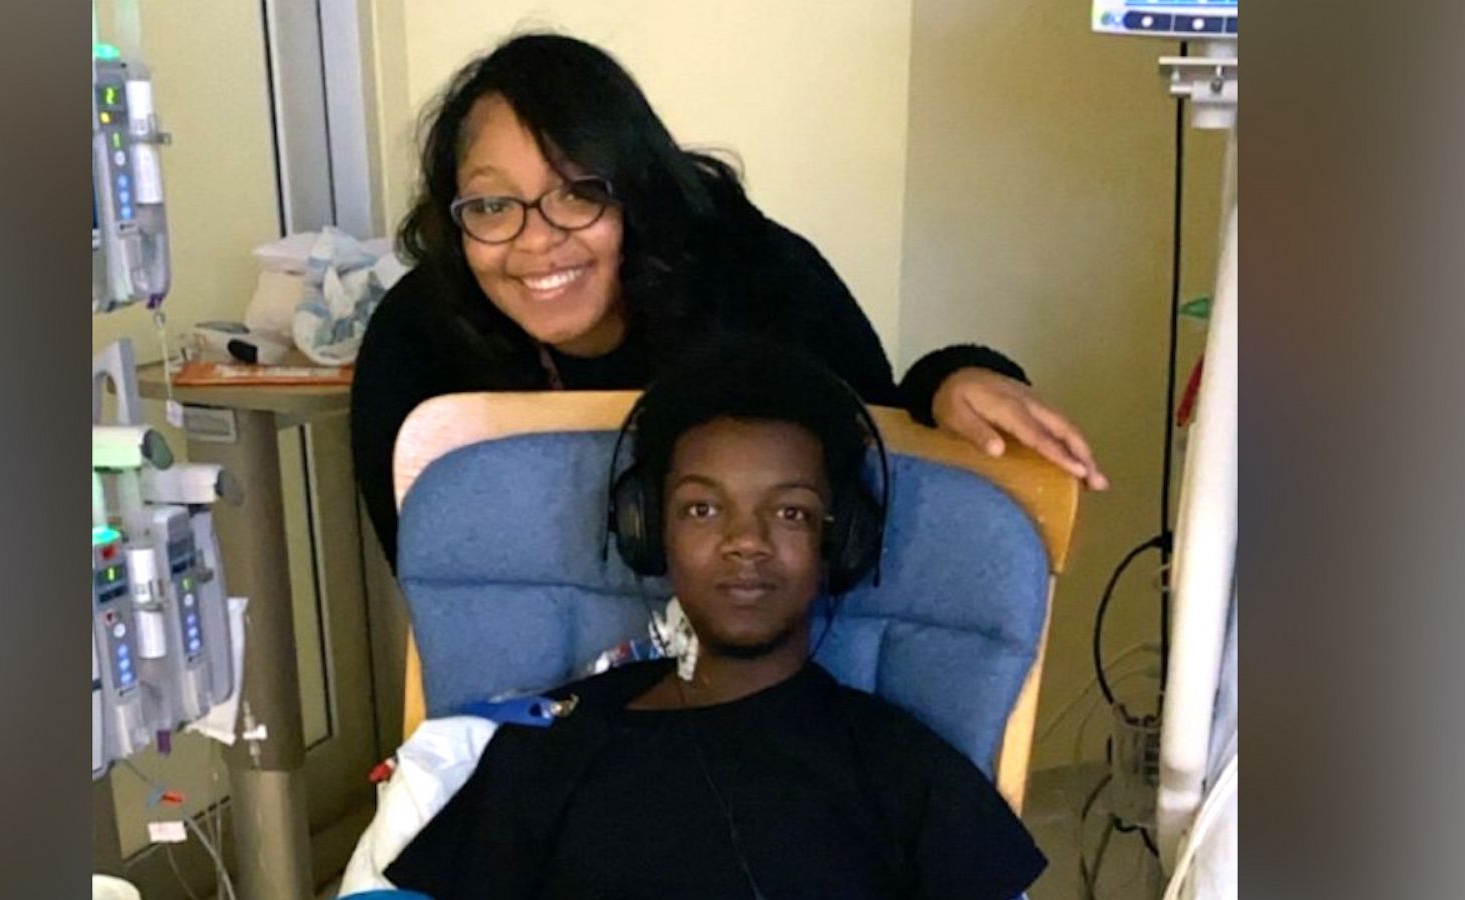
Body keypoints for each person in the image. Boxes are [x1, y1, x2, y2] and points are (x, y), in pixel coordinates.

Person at [352, 32, 1106, 567]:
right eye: (490, 205)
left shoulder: (753, 275)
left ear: (636, 191)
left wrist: (953, 378)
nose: (534, 240)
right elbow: (441, 595)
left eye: (578, 193)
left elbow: (871, 441)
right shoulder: (415, 341)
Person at [382, 341, 1046, 899]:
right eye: (703, 509)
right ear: (649, 532)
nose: (746, 541)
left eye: (790, 512)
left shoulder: (905, 772)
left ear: (838, 543)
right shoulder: (549, 745)